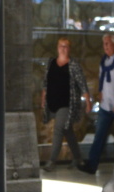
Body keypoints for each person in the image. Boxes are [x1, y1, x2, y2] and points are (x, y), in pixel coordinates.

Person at [79, 33, 114, 174]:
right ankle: (92, 165)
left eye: (108, 43)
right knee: (99, 136)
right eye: (104, 44)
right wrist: (101, 92)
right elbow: (102, 78)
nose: (105, 47)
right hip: (106, 106)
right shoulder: (104, 61)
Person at [41, 37, 90, 171]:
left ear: (69, 49)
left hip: (67, 104)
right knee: (67, 131)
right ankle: (78, 158)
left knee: (58, 129)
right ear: (57, 48)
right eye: (61, 46)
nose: (63, 48)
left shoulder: (73, 65)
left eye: (66, 46)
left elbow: (82, 84)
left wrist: (87, 101)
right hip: (52, 102)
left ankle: (51, 162)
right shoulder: (51, 62)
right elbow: (46, 82)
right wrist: (43, 98)